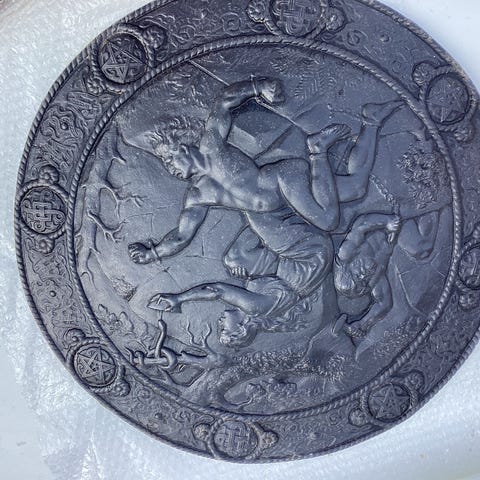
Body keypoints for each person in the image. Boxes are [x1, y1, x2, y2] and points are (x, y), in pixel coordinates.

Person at [128, 77, 402, 336]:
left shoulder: (211, 145)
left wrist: (258, 86)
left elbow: (223, 102)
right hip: (276, 213)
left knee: (329, 220)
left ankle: (317, 149)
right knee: (356, 187)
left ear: (182, 148)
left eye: (169, 160)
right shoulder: (197, 195)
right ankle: (372, 121)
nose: (170, 169)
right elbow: (181, 235)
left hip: (283, 181)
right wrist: (153, 253)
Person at [334, 213, 402, 340]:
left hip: (387, 217)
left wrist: (387, 221)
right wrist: (363, 323)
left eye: (355, 275)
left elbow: (361, 224)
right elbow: (384, 303)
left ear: (349, 267)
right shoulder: (373, 278)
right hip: (401, 233)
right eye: (362, 281)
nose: (362, 275)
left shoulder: (346, 252)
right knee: (420, 247)